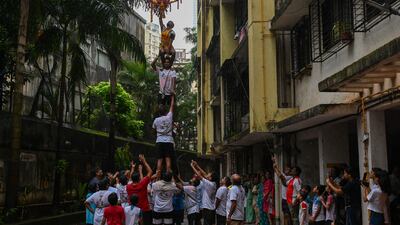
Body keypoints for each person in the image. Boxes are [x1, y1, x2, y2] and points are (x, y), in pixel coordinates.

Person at [126, 155, 153, 225]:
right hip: (144, 210)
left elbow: (130, 179)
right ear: (139, 179)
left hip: (133, 210)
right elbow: (150, 172)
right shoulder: (142, 184)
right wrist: (144, 161)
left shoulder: (128, 186)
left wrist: (132, 168)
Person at [152, 96, 175, 173]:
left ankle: (157, 178)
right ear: (166, 112)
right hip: (169, 141)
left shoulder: (156, 120)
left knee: (159, 161)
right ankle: (168, 178)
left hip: (159, 141)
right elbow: (172, 106)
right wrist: (172, 98)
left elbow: (153, 131)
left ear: (159, 112)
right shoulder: (169, 117)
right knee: (168, 160)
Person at [191, 160, 217, 225]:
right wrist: (197, 165)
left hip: (207, 209)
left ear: (210, 178)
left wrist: (192, 166)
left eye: (209, 175)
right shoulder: (213, 183)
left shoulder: (209, 184)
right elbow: (204, 174)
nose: (207, 174)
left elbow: (200, 176)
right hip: (210, 208)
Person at [273, 161, 293, 225]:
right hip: (284, 198)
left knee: (288, 215)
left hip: (289, 199)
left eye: (288, 169)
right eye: (285, 169)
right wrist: (275, 167)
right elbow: (279, 174)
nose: (286, 170)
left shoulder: (291, 178)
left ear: (290, 171)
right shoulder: (285, 176)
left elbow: (281, 176)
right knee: (285, 214)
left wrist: (276, 167)